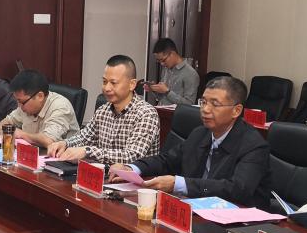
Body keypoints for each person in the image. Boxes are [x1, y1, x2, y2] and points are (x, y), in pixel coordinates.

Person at [110, 76, 272, 209]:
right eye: (203, 102)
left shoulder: (254, 146)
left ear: (236, 110)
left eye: (215, 104)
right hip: (196, 209)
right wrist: (132, 168)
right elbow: (167, 160)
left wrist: (179, 184)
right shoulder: (200, 134)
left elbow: (237, 189)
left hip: (238, 223)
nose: (205, 109)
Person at [48, 55, 160, 165]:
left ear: (132, 84)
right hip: (105, 174)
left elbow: (132, 155)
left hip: (137, 176)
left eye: (113, 83)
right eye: (104, 82)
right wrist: (65, 143)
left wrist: (88, 151)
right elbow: (84, 137)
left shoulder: (146, 114)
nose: (107, 88)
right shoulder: (103, 110)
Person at [0, 69, 80, 146]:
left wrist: (22, 134)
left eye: (22, 102)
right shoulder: (25, 104)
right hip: (33, 155)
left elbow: (48, 140)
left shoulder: (60, 107)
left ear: (40, 96)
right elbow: (10, 120)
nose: (19, 106)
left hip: (63, 161)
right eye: (17, 101)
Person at [147, 38, 200, 106]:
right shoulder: (166, 70)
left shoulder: (191, 73)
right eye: (159, 61)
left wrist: (167, 91)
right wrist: (155, 89)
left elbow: (189, 104)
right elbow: (163, 99)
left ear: (172, 53)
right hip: (161, 110)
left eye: (163, 60)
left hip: (176, 112)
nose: (162, 64)